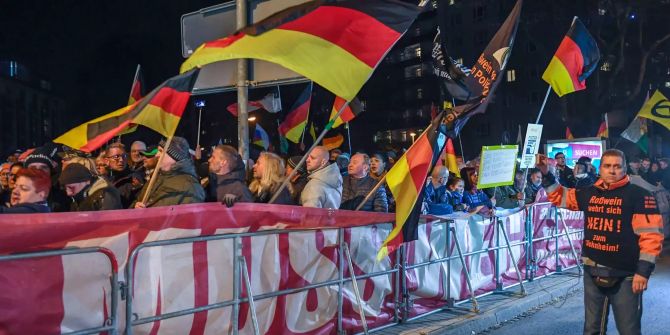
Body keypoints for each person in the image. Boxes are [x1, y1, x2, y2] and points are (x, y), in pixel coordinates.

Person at [537, 149, 663, 335]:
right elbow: (560, 197)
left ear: (624, 168)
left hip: (626, 275)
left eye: (617, 166)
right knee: (591, 330)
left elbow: (651, 236)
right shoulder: (589, 193)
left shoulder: (640, 196)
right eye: (607, 166)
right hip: (592, 272)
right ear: (600, 169)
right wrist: (546, 174)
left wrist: (643, 272)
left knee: (629, 331)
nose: (612, 171)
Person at [134, 137, 206, 208]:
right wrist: (136, 208)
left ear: (174, 156)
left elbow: (187, 218)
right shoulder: (156, 177)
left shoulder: (191, 187)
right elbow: (138, 201)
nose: (156, 155)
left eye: (161, 151)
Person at [106, 142, 139, 207]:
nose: (121, 160)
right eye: (116, 157)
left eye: (124, 156)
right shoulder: (103, 180)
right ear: (107, 161)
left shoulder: (134, 178)